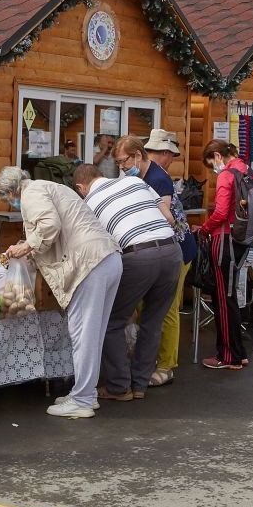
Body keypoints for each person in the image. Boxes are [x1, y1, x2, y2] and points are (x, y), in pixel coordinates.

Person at [0, 166, 122, 418]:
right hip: (106, 259)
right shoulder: (51, 188)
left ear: (11, 191)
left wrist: (27, 246)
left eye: (9, 200)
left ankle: (82, 399)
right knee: (92, 334)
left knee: (83, 334)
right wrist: (28, 248)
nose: (13, 204)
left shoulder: (31, 193)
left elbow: (49, 225)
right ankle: (86, 393)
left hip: (87, 265)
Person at [75, 152, 181, 401]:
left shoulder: (89, 203)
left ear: (81, 187)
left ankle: (119, 387)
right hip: (171, 250)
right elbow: (168, 215)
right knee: (153, 321)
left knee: (112, 321)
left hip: (138, 256)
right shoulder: (134, 182)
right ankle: (140, 385)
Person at [138, 130, 195, 387]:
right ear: (163, 153)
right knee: (153, 307)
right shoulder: (151, 175)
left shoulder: (158, 178)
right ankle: (152, 360)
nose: (172, 159)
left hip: (176, 251)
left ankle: (166, 365)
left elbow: (165, 218)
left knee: (167, 308)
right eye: (171, 155)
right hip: (165, 250)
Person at [195, 140, 250, 370]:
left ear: (217, 155)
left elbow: (219, 212)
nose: (212, 170)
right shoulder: (245, 169)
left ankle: (229, 356)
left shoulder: (227, 175)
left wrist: (204, 229)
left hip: (223, 239)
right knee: (229, 298)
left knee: (222, 300)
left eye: (211, 164)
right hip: (240, 240)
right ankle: (239, 352)